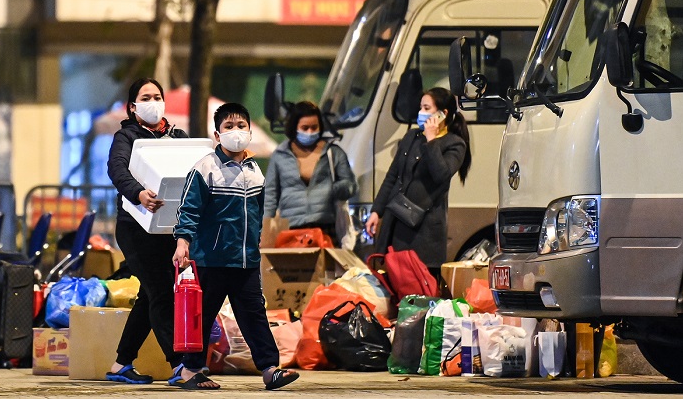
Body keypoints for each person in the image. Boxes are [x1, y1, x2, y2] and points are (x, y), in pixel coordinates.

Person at [171, 103, 299, 391]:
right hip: (211, 260)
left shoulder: (255, 170)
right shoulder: (205, 168)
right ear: (217, 135)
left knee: (254, 315)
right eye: (228, 127)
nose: (236, 132)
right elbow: (188, 210)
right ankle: (190, 371)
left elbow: (259, 210)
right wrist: (183, 243)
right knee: (200, 316)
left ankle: (270, 369)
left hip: (246, 261)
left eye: (241, 126)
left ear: (250, 132)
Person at [106, 77, 187, 383]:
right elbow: (117, 169)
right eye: (146, 97)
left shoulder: (179, 137)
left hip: (168, 230)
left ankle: (121, 364)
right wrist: (138, 193)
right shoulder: (126, 138)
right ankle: (180, 364)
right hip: (135, 230)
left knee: (150, 295)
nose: (153, 102)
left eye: (157, 96)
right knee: (162, 292)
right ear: (133, 106)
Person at [364, 87, 471, 279]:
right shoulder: (411, 137)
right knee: (392, 280)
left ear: (442, 114)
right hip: (396, 221)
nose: (421, 112)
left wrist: (431, 141)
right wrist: (376, 211)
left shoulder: (454, 144)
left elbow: (441, 174)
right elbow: (392, 176)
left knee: (419, 287)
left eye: (426, 107)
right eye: (421, 107)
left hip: (423, 232)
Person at [264, 101, 357, 245]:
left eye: (314, 127)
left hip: (326, 230)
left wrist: (333, 190)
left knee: (326, 267)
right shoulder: (280, 156)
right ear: (295, 128)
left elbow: (351, 185)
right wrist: (265, 227)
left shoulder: (333, 153)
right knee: (295, 267)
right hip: (291, 231)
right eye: (305, 128)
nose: (310, 132)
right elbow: (270, 195)